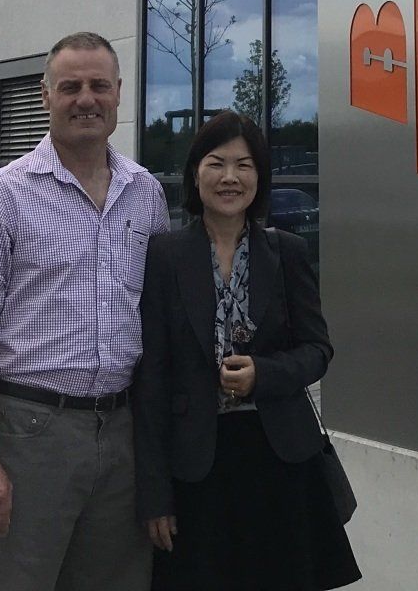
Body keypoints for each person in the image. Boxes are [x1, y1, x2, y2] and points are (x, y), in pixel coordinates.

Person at [0, 31, 171, 591]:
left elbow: (162, 319)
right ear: (46, 96)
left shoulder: (145, 193)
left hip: (123, 434)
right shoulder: (0, 197)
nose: (86, 99)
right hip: (30, 435)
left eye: (98, 86)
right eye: (70, 87)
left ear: (119, 92)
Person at [134, 111, 361, 591]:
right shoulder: (164, 256)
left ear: (259, 177)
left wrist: (264, 372)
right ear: (196, 173)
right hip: (197, 463)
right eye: (217, 163)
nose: (230, 178)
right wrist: (154, 495)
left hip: (280, 459)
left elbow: (317, 350)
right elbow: (151, 381)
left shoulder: (287, 252)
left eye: (244, 165)